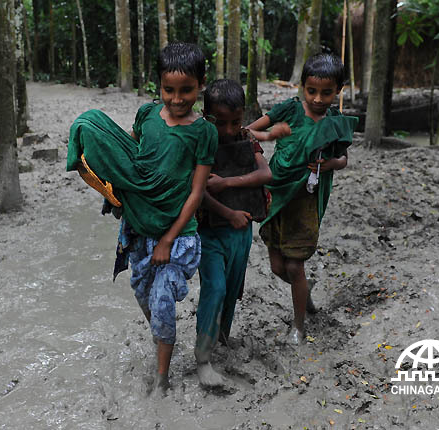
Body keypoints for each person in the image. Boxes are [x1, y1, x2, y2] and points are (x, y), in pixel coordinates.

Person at [66, 42, 218, 394]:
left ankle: (162, 377)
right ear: (158, 86)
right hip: (139, 228)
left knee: (163, 300)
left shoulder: (204, 132)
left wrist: (168, 240)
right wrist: (115, 193)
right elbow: (132, 160)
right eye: (169, 90)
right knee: (143, 293)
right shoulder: (147, 115)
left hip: (178, 236)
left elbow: (196, 193)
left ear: (201, 86)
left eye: (187, 91)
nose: (177, 99)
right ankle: (163, 337)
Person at [246, 53, 358, 345]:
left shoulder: (335, 123)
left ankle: (298, 326)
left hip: (305, 199)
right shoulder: (290, 110)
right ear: (301, 87)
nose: (318, 99)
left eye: (327, 92)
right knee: (276, 266)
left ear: (339, 91)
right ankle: (305, 294)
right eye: (311, 91)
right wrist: (271, 135)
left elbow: (344, 159)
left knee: (295, 266)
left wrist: (327, 164)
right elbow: (249, 132)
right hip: (276, 194)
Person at [194, 79, 272, 387]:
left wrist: (227, 183)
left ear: (243, 116)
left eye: (235, 121)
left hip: (241, 231)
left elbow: (267, 173)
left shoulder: (247, 138)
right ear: (206, 116)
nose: (228, 130)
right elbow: (196, 189)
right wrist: (227, 212)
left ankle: (221, 338)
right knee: (214, 288)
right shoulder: (202, 140)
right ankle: (202, 358)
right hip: (209, 232)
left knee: (232, 289)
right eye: (220, 122)